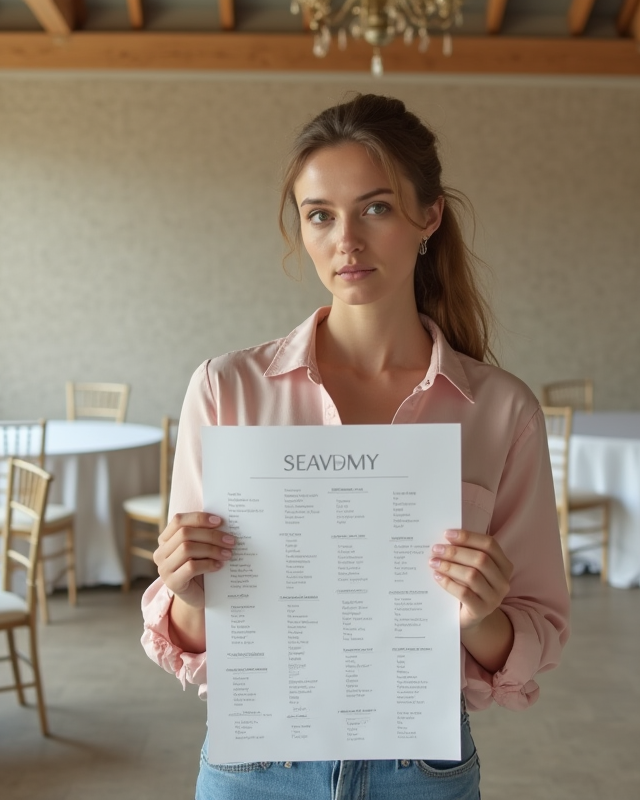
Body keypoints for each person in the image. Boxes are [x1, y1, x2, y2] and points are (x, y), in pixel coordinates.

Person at [141, 93, 569, 799]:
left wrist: (481, 614)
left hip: (421, 771)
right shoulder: (226, 389)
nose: (347, 240)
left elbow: (534, 634)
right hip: (254, 767)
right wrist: (187, 590)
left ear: (429, 216)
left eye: (375, 208)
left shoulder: (501, 410)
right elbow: (189, 635)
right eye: (320, 215)